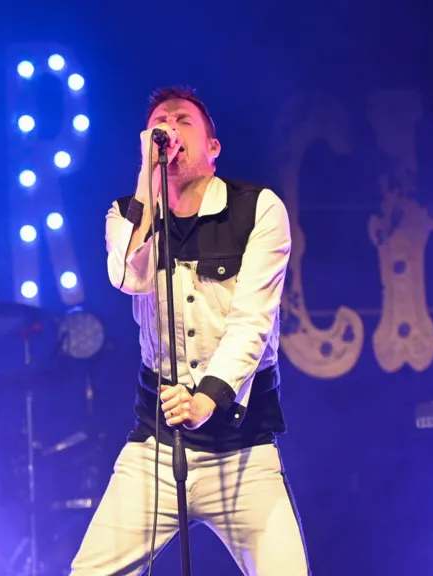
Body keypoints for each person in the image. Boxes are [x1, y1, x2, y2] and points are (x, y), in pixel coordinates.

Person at [70, 87, 309, 575]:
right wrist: (147, 183)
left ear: (213, 148)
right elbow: (130, 277)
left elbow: (252, 322)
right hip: (157, 450)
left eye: (183, 122)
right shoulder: (127, 214)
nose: (170, 130)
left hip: (244, 452)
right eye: (160, 122)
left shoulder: (258, 210)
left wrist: (207, 398)